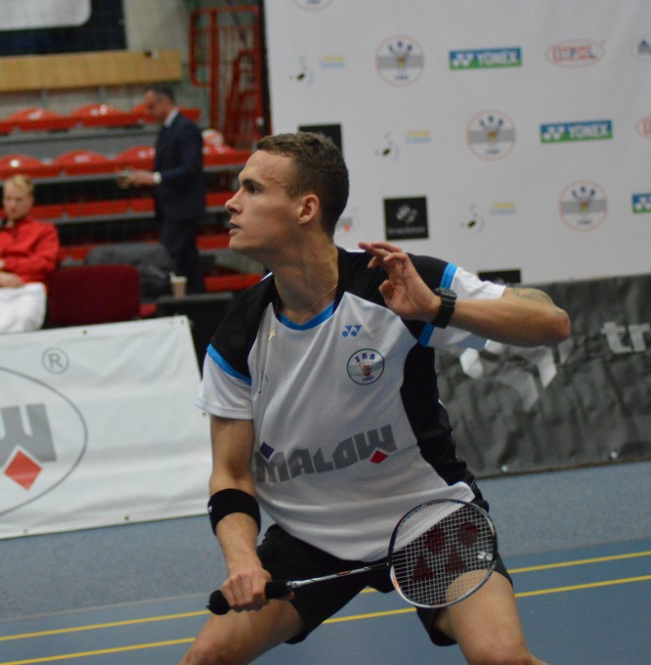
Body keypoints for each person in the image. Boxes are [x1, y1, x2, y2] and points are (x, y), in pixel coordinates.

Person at [181, 132, 570, 665]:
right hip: (311, 535)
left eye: (252, 188)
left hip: (428, 519)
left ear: (305, 208)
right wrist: (243, 560)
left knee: (501, 658)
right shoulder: (238, 336)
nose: (231, 202)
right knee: (205, 660)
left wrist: (438, 309)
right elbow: (230, 473)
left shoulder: (392, 284)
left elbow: (551, 321)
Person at [123, 83, 206, 294]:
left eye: (151, 107)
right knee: (188, 261)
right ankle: (199, 301)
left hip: (183, 208)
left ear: (164, 102)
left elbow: (191, 168)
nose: (148, 112)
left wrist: (155, 178)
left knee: (169, 256)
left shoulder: (185, 128)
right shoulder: (168, 129)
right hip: (173, 207)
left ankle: (176, 300)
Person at [0, 174, 59, 334]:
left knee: (23, 317)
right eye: (8, 199)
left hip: (28, 291)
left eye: (18, 200)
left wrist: (2, 264)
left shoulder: (45, 231)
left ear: (30, 201)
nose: (12, 205)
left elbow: (45, 264)